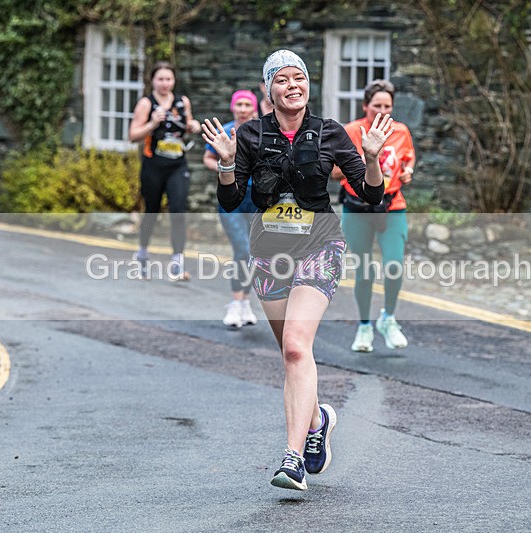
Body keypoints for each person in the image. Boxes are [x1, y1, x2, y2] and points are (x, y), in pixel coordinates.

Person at [202, 49, 392, 491]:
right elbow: (231, 201)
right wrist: (228, 163)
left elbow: (370, 195)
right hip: (269, 253)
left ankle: (292, 460)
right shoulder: (249, 135)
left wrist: (373, 156)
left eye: (299, 78)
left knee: (294, 347)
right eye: (282, 80)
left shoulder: (330, 133)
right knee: (293, 357)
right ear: (269, 89)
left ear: (309, 85)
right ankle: (318, 420)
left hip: (320, 246)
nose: (293, 86)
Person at [332, 79, 416, 352]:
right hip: (357, 208)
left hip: (392, 206)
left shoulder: (401, 131)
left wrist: (407, 172)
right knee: (364, 271)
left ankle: (388, 319)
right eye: (376, 106)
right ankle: (365, 326)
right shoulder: (351, 132)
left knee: (394, 265)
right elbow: (333, 172)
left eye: (387, 106)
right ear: (365, 106)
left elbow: (407, 160)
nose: (382, 111)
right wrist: (366, 163)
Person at [128, 61, 200, 280]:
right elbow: (133, 135)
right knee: (152, 210)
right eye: (160, 79)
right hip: (153, 166)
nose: (165, 83)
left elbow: (187, 126)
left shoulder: (181, 101)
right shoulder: (146, 103)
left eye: (169, 79)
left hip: (177, 165)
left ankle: (177, 262)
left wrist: (193, 126)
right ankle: (142, 253)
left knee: (178, 210)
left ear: (173, 81)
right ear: (153, 81)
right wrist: (151, 123)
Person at [203, 90, 259, 328]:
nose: (243, 109)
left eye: (248, 105)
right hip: (231, 197)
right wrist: (225, 169)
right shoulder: (223, 131)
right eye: (240, 104)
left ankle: (245, 301)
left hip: (257, 198)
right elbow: (207, 158)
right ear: (233, 107)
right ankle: (236, 303)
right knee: (242, 249)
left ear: (254, 109)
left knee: (255, 252)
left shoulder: (262, 133)